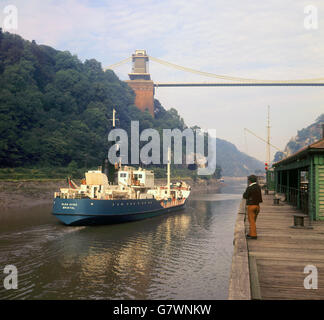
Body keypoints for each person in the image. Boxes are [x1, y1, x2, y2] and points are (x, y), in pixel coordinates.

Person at [243, 175, 263, 239]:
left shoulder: (249, 187)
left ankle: (253, 235)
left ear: (250, 181)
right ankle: (250, 233)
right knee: (253, 221)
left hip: (251, 206)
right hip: (257, 206)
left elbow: (245, 196)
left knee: (251, 221)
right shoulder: (258, 187)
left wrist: (244, 193)